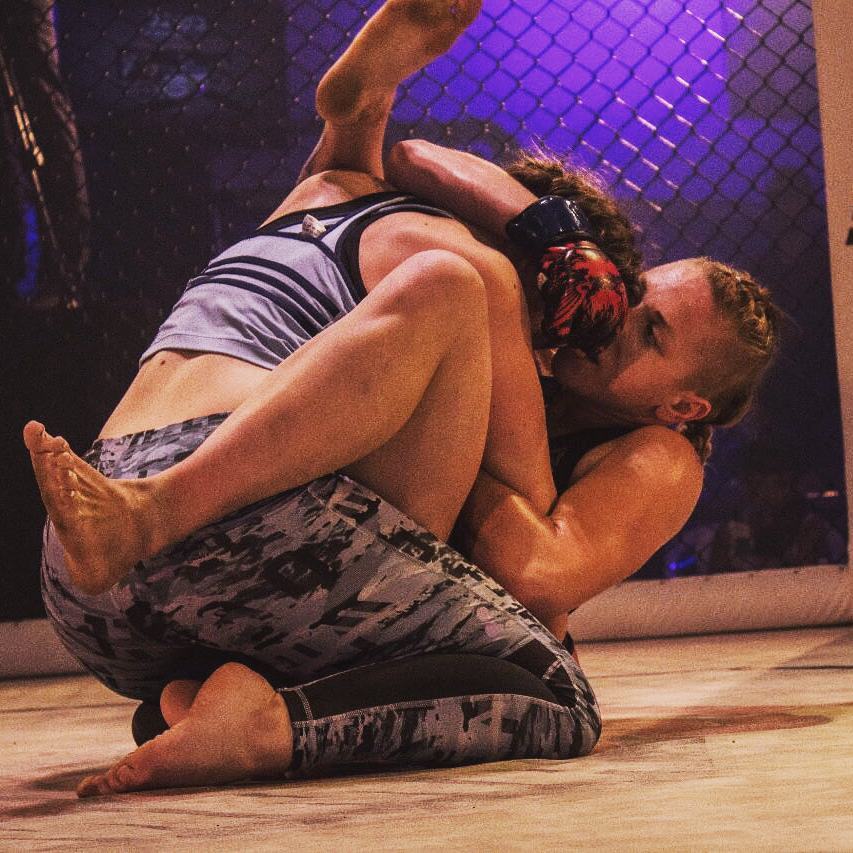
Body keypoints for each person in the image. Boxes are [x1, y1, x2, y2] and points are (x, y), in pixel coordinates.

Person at [24, 0, 779, 797]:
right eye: (621, 301)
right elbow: (528, 581)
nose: (608, 323)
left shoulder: (328, 189)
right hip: (228, 530)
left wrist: (370, 107)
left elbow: (404, 153)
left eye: (647, 330)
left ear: (685, 406)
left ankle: (200, 698)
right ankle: (270, 722)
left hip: (84, 579)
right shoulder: (474, 280)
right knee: (550, 689)